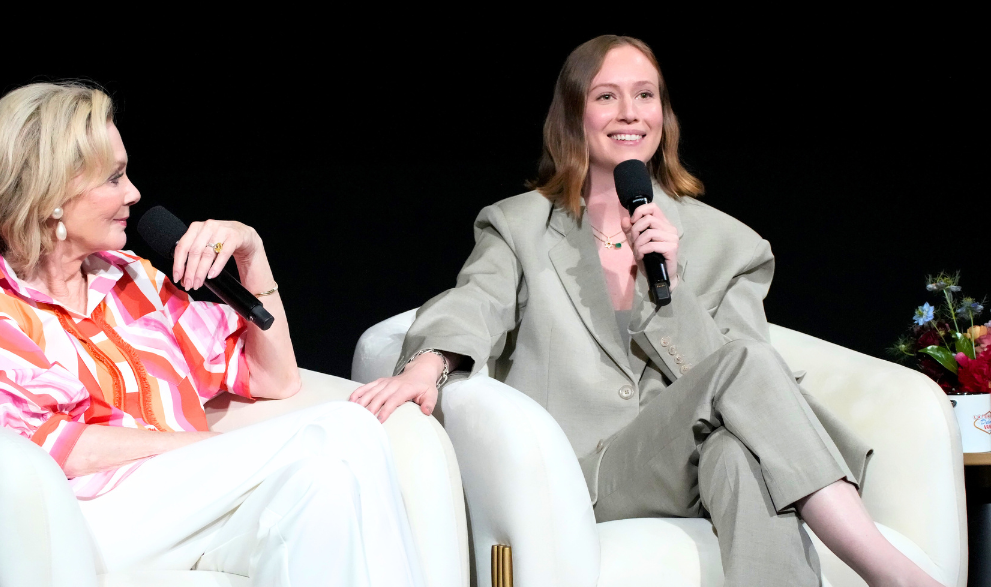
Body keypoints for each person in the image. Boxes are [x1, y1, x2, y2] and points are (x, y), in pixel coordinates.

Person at [350, 36, 942, 587]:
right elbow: (474, 302)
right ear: (574, 117)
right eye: (607, 96)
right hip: (585, 476)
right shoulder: (519, 225)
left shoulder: (730, 245)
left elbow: (746, 387)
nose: (630, 112)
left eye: (645, 96)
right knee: (748, 372)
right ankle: (887, 571)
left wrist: (672, 289)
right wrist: (426, 363)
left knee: (737, 454)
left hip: (688, 465)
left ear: (665, 115)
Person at [0, 82, 423, 586]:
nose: (134, 193)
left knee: (326, 483)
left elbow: (274, 378)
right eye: (114, 178)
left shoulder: (129, 279)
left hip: (184, 504)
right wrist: (199, 450)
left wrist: (253, 257)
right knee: (345, 426)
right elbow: (48, 446)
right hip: (87, 521)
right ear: (50, 194)